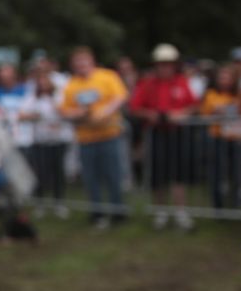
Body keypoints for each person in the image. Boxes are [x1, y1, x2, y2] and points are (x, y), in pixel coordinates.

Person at [128, 43, 199, 231]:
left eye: (168, 63)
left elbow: (193, 105)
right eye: (161, 63)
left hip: (177, 133)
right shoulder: (147, 83)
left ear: (175, 64)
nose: (165, 67)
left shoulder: (181, 81)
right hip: (156, 134)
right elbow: (135, 108)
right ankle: (160, 212)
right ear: (156, 64)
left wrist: (180, 114)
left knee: (178, 174)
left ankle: (180, 212)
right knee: (158, 175)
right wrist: (150, 115)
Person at [60, 46, 129, 228]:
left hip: (109, 135)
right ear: (73, 65)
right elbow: (64, 110)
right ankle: (97, 212)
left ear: (92, 61)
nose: (81, 65)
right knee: (91, 178)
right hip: (86, 139)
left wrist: (102, 113)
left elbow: (120, 97)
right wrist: (80, 114)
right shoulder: (71, 85)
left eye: (84, 60)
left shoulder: (107, 76)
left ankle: (118, 211)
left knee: (113, 175)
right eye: (77, 62)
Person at [16, 58, 73, 219]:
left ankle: (59, 203)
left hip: (59, 139)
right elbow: (21, 114)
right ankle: (40, 203)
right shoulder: (33, 95)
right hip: (40, 140)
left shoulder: (60, 93)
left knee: (58, 172)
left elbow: (65, 111)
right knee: (40, 172)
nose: (42, 83)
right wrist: (36, 116)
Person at [198, 64, 241, 216]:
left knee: (236, 172)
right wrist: (217, 111)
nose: (225, 80)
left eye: (228, 77)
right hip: (217, 137)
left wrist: (233, 107)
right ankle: (218, 206)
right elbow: (204, 114)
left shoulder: (238, 96)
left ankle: (235, 203)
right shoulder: (211, 94)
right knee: (217, 173)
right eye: (222, 77)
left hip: (234, 137)